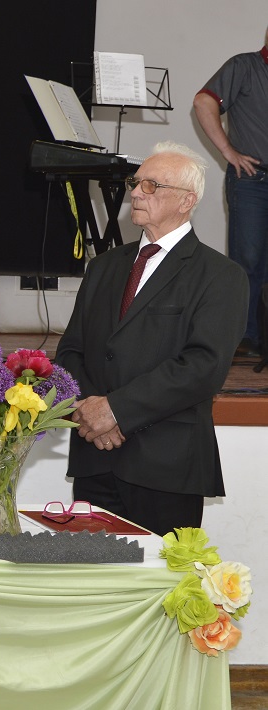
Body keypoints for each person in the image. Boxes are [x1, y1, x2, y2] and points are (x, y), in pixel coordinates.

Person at [56, 141, 248, 536]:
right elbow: (71, 351)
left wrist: (115, 411)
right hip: (95, 458)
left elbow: (203, 367)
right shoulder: (104, 267)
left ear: (186, 201)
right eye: (136, 183)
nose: (136, 193)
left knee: (161, 577)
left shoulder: (220, 275)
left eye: (152, 185)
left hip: (165, 467)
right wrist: (92, 413)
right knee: (87, 574)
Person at [193, 26, 268, 358]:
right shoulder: (244, 66)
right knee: (248, 260)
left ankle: (264, 336)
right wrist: (228, 151)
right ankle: (245, 335)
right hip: (252, 181)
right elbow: (203, 101)